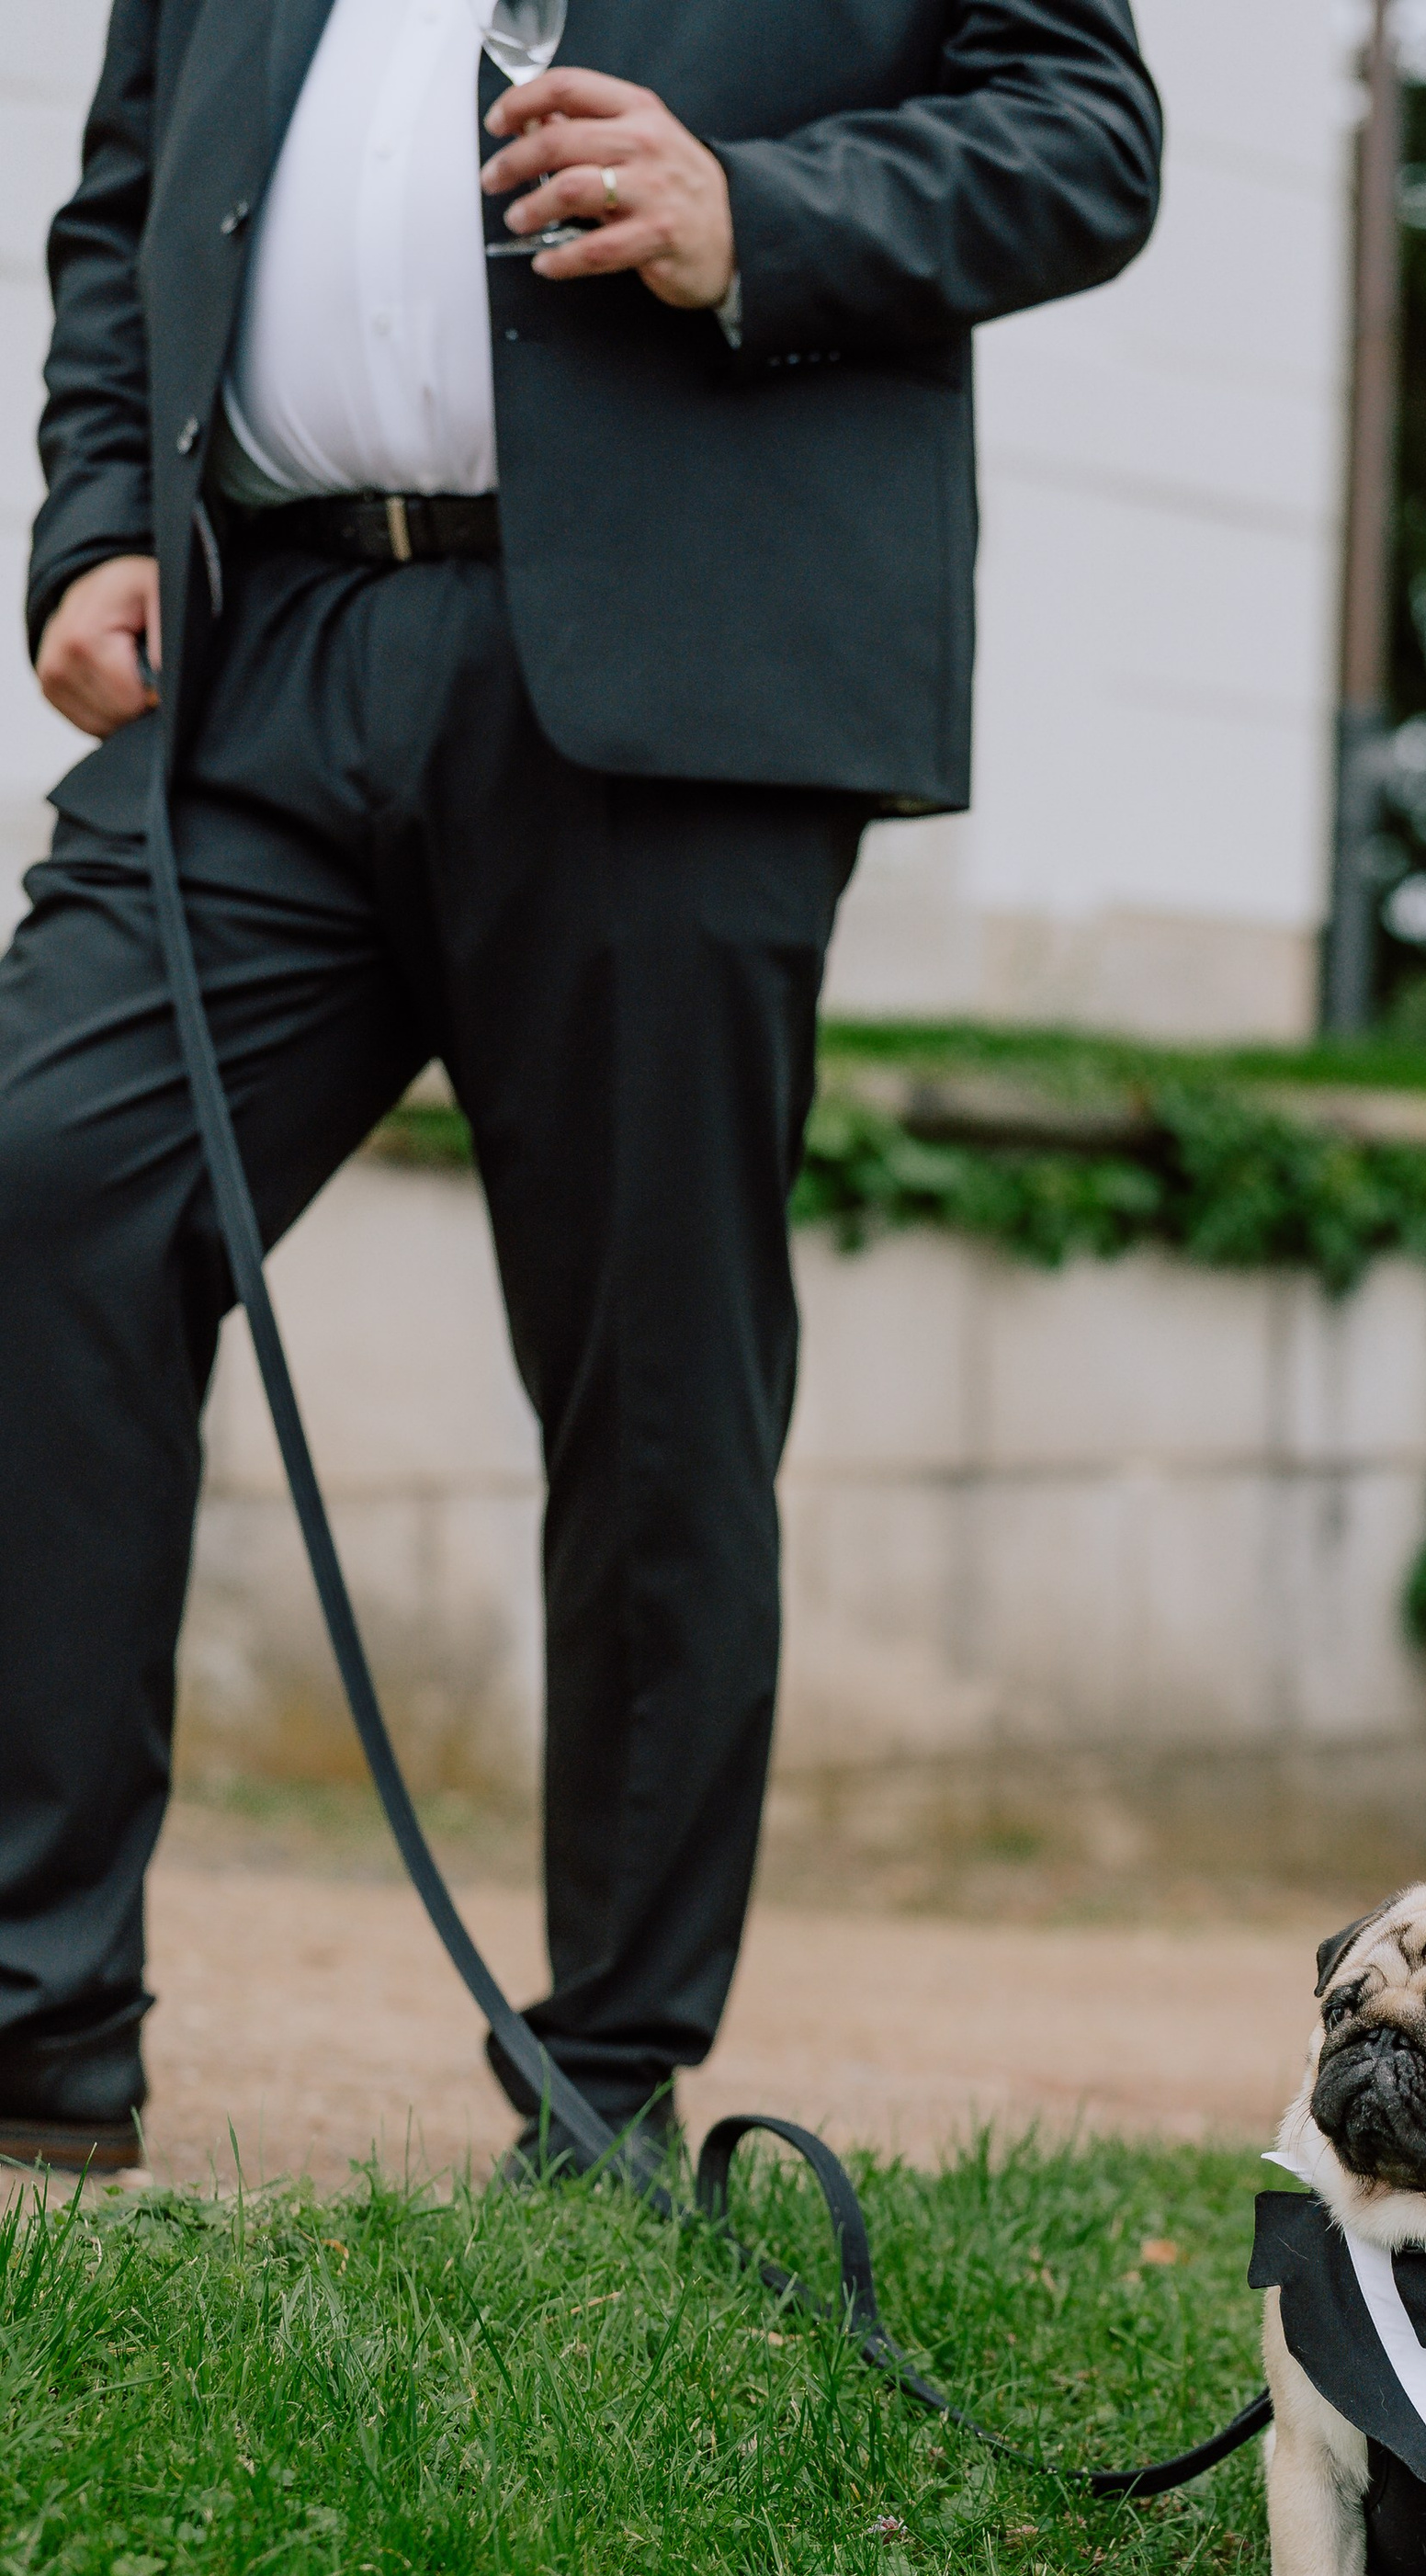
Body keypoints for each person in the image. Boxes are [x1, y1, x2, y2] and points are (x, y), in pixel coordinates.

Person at [0, 0, 1161, 2179]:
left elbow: (1084, 133)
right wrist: (89, 523)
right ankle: (32, 2009)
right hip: (264, 654)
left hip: (683, 677)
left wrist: (763, 212)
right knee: (39, 1184)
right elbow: (125, 197)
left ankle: (606, 2078)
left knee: (648, 1380)